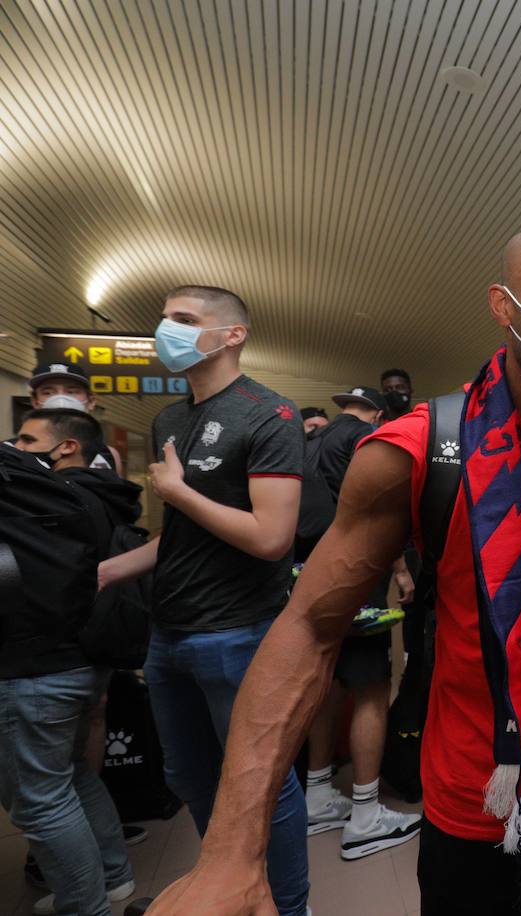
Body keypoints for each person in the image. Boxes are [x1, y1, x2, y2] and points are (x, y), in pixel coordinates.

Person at [149, 225, 521, 916]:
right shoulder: (419, 449)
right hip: (481, 798)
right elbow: (310, 628)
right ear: (503, 306)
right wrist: (230, 851)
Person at [98, 285, 310, 916]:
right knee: (188, 778)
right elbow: (179, 537)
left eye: (185, 321)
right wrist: (108, 570)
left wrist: (179, 491)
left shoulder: (268, 415)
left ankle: (288, 906)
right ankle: (229, 885)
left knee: (261, 786)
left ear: (232, 335)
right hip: (169, 635)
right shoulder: (170, 419)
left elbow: (272, 539)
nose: (169, 331)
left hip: (238, 635)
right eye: (165, 320)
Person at [4, 408, 138, 916]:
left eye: (26, 437)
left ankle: (87, 905)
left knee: (40, 799)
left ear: (66, 447)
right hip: (85, 656)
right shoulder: (103, 497)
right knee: (72, 775)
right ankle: (114, 878)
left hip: (35, 664)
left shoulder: (44, 500)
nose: (17, 447)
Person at [297, 385, 421, 860]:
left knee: (327, 683)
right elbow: (374, 511)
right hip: (357, 578)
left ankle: (318, 792)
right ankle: (367, 814)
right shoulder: (368, 440)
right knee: (372, 689)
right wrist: (400, 568)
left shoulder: (313, 440)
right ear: (375, 411)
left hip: (310, 577)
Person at [24, 361, 122, 474]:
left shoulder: (109, 456)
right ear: (35, 402)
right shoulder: (14, 452)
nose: (60, 399)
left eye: (71, 392)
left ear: (91, 401)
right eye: (48, 393)